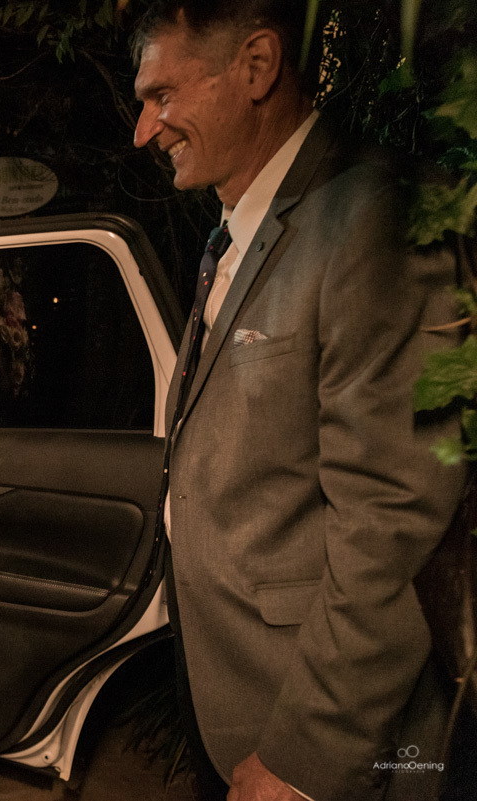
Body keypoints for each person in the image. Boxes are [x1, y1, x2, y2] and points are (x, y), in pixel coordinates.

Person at [131, 2, 464, 800]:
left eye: (162, 96)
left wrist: (306, 756)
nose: (145, 130)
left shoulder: (371, 215)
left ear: (255, 66)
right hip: (233, 682)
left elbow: (392, 524)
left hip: (326, 738)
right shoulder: (235, 229)